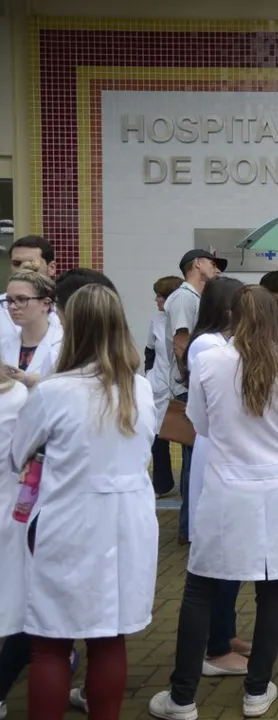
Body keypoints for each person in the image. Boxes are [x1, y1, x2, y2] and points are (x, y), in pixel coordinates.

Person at [150, 285, 278, 720]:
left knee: (200, 588)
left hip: (227, 487)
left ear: (232, 317)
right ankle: (257, 690)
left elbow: (200, 423)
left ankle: (182, 697)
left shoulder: (209, 361)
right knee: (271, 589)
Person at [11, 284, 159, 720]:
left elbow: (17, 454)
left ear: (70, 326)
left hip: (68, 522)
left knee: (51, 642)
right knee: (109, 637)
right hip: (129, 523)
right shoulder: (140, 388)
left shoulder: (54, 391)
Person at [180, 276, 250, 677]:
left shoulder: (220, 343)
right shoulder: (210, 345)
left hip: (223, 449)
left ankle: (224, 632)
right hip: (217, 450)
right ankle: (215, 647)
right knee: (222, 552)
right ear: (228, 309)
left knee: (232, 553)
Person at [165, 248, 225, 545]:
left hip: (196, 385)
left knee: (197, 457)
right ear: (197, 264)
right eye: (212, 263)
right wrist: (192, 380)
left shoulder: (197, 298)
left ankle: (194, 525)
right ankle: (189, 528)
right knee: (193, 457)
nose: (216, 269)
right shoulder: (184, 297)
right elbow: (180, 342)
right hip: (189, 387)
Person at [0, 366, 30, 720]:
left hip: (12, 506)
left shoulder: (18, 396)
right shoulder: (17, 397)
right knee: (20, 607)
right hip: (13, 507)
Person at [146, 276, 184, 497]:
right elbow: (150, 350)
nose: (156, 300)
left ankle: (188, 485)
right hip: (158, 383)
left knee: (185, 435)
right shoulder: (156, 321)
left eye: (160, 296)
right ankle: (162, 483)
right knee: (157, 436)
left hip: (181, 386)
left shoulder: (188, 317)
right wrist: (150, 374)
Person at [1, 270, 62, 387]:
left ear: (46, 304)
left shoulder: (63, 346)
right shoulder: (3, 346)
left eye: (22, 299)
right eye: (9, 300)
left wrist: (30, 379)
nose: (13, 306)